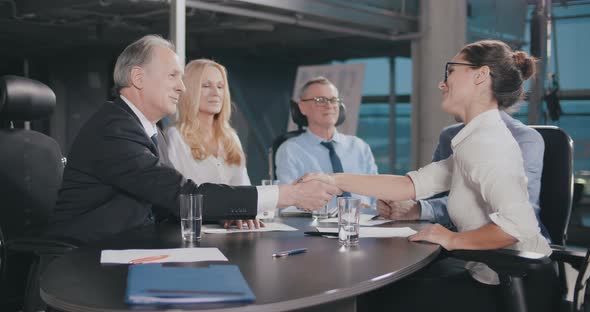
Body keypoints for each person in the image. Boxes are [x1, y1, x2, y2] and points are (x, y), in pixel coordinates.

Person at [302, 40, 556, 311]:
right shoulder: (474, 138)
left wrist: (452, 239)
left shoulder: (487, 143)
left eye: (451, 70)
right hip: (496, 277)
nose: (442, 83)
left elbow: (519, 226)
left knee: (377, 298)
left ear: (481, 75)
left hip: (517, 288)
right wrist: (334, 180)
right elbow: (411, 184)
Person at [44, 35, 340, 244]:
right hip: (85, 261)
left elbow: (167, 202)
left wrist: (224, 213)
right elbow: (182, 195)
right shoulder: (115, 129)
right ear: (138, 77)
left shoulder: (144, 128)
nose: (183, 88)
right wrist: (289, 195)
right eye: (173, 76)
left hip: (124, 248)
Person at [377, 110, 551, 240]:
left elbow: (501, 209)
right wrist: (401, 204)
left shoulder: (524, 139)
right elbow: (434, 192)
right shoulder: (450, 135)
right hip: (455, 240)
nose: (444, 86)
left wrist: (420, 209)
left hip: (510, 252)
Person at [165, 59, 258, 229]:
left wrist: (246, 214)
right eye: (206, 85)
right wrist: (221, 215)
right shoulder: (174, 137)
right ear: (190, 91)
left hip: (234, 234)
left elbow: (244, 191)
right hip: (191, 234)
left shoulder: (231, 138)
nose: (216, 93)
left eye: (220, 86)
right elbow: (176, 200)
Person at [275, 76, 378, 208]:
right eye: (320, 100)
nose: (329, 105)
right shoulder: (290, 150)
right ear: (302, 107)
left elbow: (378, 196)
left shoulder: (359, 146)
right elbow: (286, 204)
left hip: (366, 223)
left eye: (333, 100)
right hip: (315, 226)